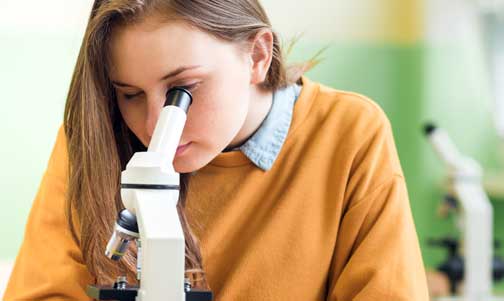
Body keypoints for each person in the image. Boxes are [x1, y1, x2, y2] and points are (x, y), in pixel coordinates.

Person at [3, 0, 429, 300]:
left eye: (182, 91)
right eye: (130, 94)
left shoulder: (348, 134)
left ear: (258, 55)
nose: (154, 127)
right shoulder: (95, 137)